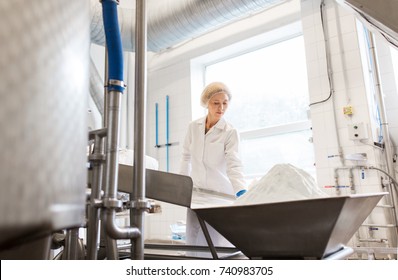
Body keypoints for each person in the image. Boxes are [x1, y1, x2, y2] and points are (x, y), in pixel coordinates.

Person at [179, 81, 247, 249]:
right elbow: (186, 156)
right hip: (196, 194)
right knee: (194, 240)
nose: (221, 108)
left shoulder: (230, 132)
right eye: (216, 103)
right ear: (206, 103)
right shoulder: (193, 127)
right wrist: (180, 187)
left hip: (219, 196)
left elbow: (234, 164)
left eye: (225, 103)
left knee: (215, 244)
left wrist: (242, 191)